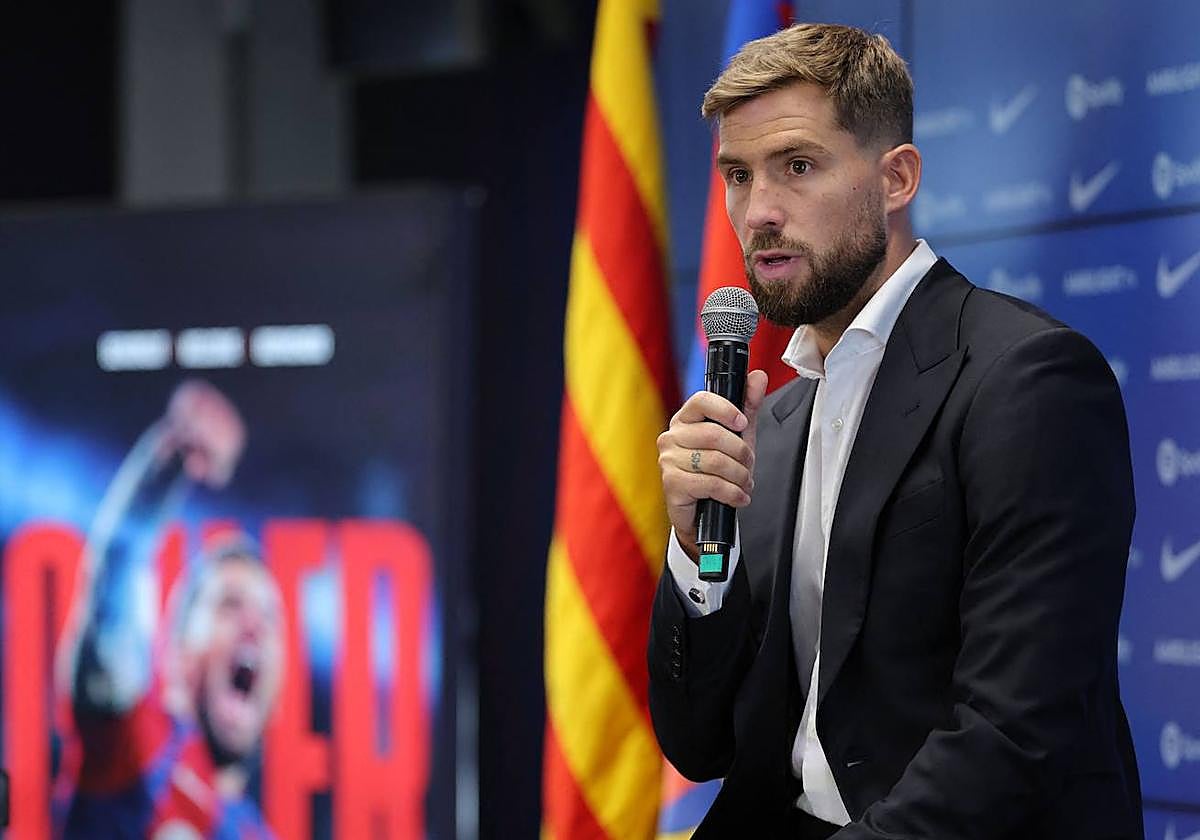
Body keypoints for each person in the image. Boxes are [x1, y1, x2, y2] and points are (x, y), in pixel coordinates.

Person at [649, 23, 1141, 840]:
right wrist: (701, 555)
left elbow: (1011, 737)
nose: (760, 211)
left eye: (797, 167)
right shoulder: (771, 420)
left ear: (897, 178)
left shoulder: (1030, 380)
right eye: (737, 175)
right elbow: (699, 744)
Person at [54, 380, 284, 839]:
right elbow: (113, 582)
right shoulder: (139, 753)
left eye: (270, 616)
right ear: (177, 654)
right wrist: (171, 459)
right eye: (229, 605)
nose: (254, 624)